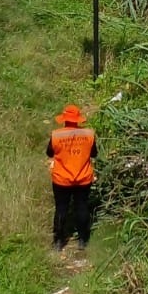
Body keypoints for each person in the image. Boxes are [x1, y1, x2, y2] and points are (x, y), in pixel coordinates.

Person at [46, 103, 97, 251]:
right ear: (78, 119)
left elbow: (50, 153)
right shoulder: (89, 134)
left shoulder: (56, 135)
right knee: (81, 206)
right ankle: (83, 240)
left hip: (61, 179)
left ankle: (58, 242)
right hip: (83, 178)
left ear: (64, 119)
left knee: (61, 208)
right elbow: (94, 154)